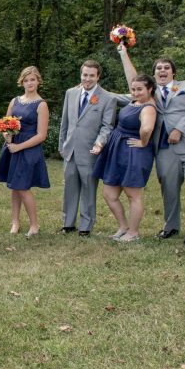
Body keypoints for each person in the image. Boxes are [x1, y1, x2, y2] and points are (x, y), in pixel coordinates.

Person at [117, 44, 185, 244]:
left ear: (173, 72)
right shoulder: (149, 95)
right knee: (169, 188)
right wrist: (123, 54)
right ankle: (170, 227)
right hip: (164, 149)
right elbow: (133, 82)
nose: (162, 70)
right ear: (154, 75)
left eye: (166, 67)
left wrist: (180, 129)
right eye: (158, 68)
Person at [92, 74, 157, 241]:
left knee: (132, 194)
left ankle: (134, 233)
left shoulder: (148, 108)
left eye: (139, 89)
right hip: (117, 149)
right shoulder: (134, 102)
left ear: (150, 89)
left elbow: (147, 128)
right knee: (109, 193)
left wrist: (143, 142)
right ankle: (123, 226)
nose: (135, 92)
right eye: (133, 89)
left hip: (133, 152)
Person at [58, 60, 116, 237]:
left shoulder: (108, 98)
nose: (87, 78)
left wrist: (99, 143)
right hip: (70, 150)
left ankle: (86, 225)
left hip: (91, 150)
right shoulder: (71, 93)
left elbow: (107, 126)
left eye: (91, 75)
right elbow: (65, 122)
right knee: (70, 187)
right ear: (81, 74)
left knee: (88, 188)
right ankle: (68, 223)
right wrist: (62, 145)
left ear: (98, 76)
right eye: (85, 75)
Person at [0, 66, 50, 237]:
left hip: (28, 148)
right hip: (12, 146)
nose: (29, 83)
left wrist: (19, 146)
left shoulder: (41, 105)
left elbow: (41, 135)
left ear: (38, 81)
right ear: (22, 82)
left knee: (23, 187)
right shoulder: (15, 101)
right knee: (14, 187)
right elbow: (5, 123)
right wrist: (6, 135)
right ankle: (15, 222)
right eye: (26, 80)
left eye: (32, 79)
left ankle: (34, 225)